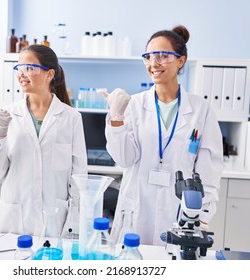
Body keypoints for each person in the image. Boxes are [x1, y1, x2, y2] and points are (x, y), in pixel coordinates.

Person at [101, 25, 223, 246]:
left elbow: (209, 171)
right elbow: (124, 159)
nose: (153, 63)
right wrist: (117, 119)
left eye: (162, 56)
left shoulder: (200, 109)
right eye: (148, 56)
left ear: (181, 61)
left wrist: (203, 216)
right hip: (137, 205)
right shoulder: (134, 104)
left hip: (180, 210)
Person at [0, 44, 87, 237]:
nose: (21, 74)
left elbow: (79, 174)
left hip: (56, 218)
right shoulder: (7, 116)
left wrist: (74, 218)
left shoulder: (71, 117)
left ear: (49, 74)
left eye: (29, 68)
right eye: (19, 68)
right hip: (14, 218)